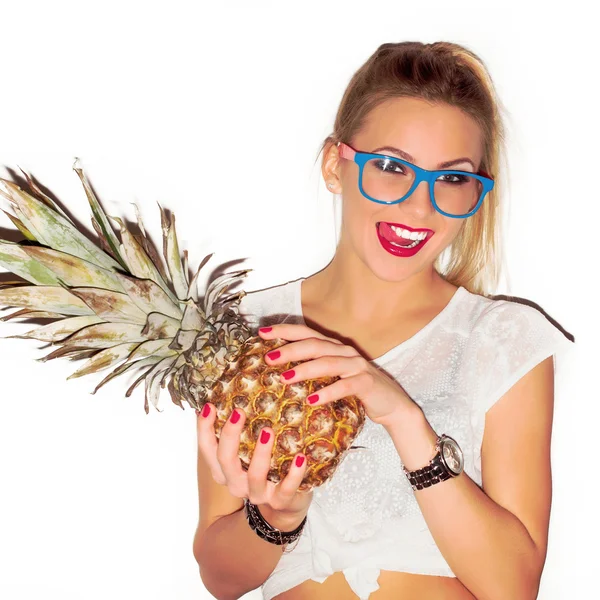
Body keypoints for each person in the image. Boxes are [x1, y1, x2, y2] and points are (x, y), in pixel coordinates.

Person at [193, 41, 573, 600]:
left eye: (453, 179)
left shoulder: (502, 339)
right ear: (334, 164)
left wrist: (405, 420)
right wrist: (276, 519)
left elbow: (513, 587)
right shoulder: (246, 333)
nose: (420, 207)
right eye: (392, 167)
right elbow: (220, 579)